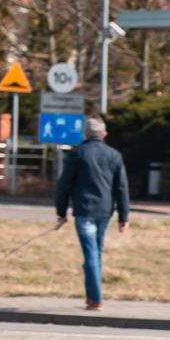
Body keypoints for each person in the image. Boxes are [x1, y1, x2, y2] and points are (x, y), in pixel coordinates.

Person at [53, 117, 130, 309]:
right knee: (96, 252)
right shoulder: (114, 155)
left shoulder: (77, 154)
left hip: (84, 210)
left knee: (91, 254)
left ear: (84, 134)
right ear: (104, 134)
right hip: (105, 211)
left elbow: (64, 185)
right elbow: (121, 187)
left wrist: (61, 211)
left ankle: (96, 299)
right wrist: (123, 216)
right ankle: (91, 296)